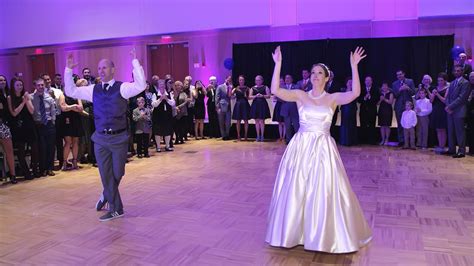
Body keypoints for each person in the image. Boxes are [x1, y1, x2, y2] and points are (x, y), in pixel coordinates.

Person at [266, 46, 372, 253]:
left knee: (323, 190)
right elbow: (276, 91)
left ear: (326, 78)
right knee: (297, 189)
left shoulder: (332, 98)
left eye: (319, 73)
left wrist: (354, 67)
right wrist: (278, 64)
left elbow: (356, 92)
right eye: (313, 73)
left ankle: (322, 235)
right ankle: (294, 232)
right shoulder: (299, 94)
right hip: (301, 147)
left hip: (323, 149)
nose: (315, 76)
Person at [64, 48, 146, 222]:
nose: (101, 70)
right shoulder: (93, 89)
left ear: (113, 70)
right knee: (106, 174)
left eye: (105, 68)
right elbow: (71, 92)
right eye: (99, 68)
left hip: (119, 138)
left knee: (118, 172)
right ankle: (117, 209)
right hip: (100, 138)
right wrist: (68, 69)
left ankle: (106, 194)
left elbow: (140, 86)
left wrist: (135, 62)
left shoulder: (122, 87)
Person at [444, 65, 471, 158]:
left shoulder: (466, 83)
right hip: (450, 111)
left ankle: (461, 151)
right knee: (450, 131)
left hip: (459, 111)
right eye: (455, 71)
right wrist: (448, 106)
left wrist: (450, 106)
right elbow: (448, 97)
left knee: (460, 132)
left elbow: (462, 98)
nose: (456, 72)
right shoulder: (452, 83)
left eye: (458, 71)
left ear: (462, 72)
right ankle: (451, 149)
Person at [231, 75, 250, 141]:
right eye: (240, 80)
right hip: (238, 105)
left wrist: (246, 96)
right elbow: (231, 96)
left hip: (245, 104)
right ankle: (238, 135)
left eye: (242, 80)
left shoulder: (247, 88)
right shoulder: (236, 88)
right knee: (238, 120)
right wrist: (231, 91)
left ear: (244, 81)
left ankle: (245, 136)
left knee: (246, 120)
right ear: (238, 81)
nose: (241, 81)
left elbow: (249, 98)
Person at [216, 76, 232, 140]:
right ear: (225, 79)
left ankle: (227, 134)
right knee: (221, 122)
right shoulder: (220, 87)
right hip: (221, 106)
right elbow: (217, 97)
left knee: (228, 122)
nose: (229, 80)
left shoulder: (231, 87)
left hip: (228, 106)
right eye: (228, 79)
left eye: (230, 80)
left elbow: (231, 96)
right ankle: (223, 135)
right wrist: (217, 107)